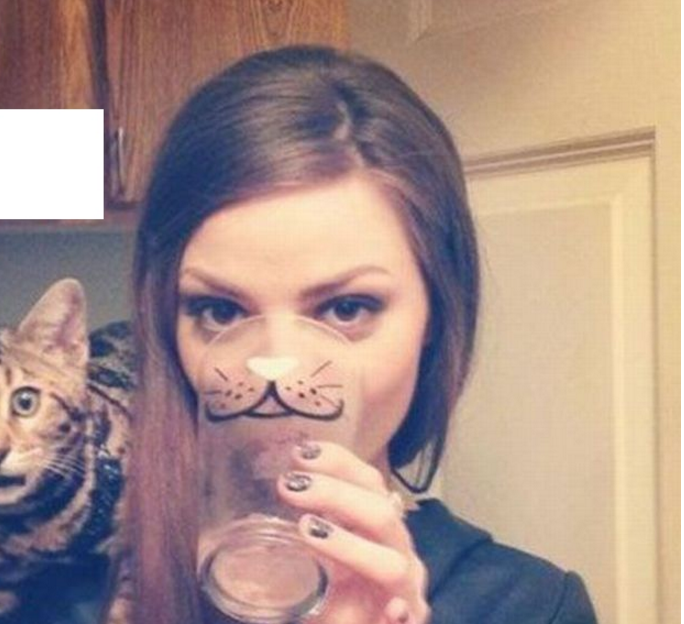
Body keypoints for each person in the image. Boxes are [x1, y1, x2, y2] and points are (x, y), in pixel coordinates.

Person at [128, 45, 598, 624]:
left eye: (345, 309)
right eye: (222, 312)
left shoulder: (533, 608)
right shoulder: (67, 595)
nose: (277, 371)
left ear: (435, 314)